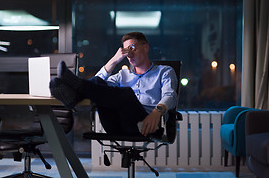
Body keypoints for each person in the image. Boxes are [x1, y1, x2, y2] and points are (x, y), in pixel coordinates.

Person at [50, 32, 178, 137]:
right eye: (126, 51)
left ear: (145, 47)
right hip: (115, 124)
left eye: (132, 48)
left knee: (127, 93)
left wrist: (157, 112)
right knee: (100, 84)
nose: (129, 54)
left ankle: (74, 93)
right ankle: (75, 93)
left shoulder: (164, 71)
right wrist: (114, 60)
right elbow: (97, 84)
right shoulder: (123, 74)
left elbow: (171, 95)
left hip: (146, 125)